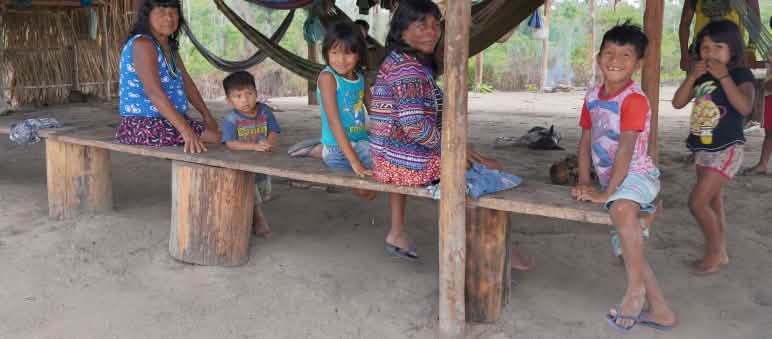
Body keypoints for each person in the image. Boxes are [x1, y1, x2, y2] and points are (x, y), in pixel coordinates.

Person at [368, 0, 529, 269]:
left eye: (435, 25)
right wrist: (456, 153)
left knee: (471, 157)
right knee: (483, 174)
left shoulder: (400, 61)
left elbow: (417, 125)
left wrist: (461, 148)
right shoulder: (408, 70)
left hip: (388, 156)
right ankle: (494, 247)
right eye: (422, 26)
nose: (432, 32)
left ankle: (398, 233)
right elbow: (416, 128)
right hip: (401, 160)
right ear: (402, 30)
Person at [573, 23, 675, 332]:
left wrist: (608, 194)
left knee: (619, 209)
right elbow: (585, 141)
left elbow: (626, 150)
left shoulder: (634, 99)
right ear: (598, 57)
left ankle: (634, 294)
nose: (615, 60)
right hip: (614, 181)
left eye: (625, 55)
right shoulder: (592, 96)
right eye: (609, 53)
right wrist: (584, 181)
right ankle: (661, 312)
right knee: (629, 248)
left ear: (638, 63)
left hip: (638, 176)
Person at [673, 20, 755, 274]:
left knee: (697, 203)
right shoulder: (700, 76)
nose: (710, 53)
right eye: (705, 47)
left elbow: (744, 107)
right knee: (713, 201)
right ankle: (722, 252)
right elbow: (677, 102)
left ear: (732, 51)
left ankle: (714, 252)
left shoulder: (741, 75)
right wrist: (692, 77)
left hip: (727, 148)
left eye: (718, 47)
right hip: (703, 147)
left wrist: (724, 77)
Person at [115, 0, 220, 153]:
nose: (169, 18)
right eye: (161, 13)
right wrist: (186, 131)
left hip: (168, 120)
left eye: (173, 13)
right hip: (143, 125)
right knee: (220, 139)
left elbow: (186, 82)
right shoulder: (143, 44)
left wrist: (207, 115)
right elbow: (153, 92)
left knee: (222, 136)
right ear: (147, 16)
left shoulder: (169, 46)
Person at [317, 22, 376, 200]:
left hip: (361, 142)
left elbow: (375, 112)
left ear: (359, 54)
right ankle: (321, 147)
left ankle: (317, 147)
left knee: (390, 170)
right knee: (368, 192)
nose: (340, 60)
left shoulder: (361, 78)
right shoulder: (328, 78)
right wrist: (355, 162)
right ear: (327, 52)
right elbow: (334, 122)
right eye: (334, 53)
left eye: (348, 53)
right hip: (338, 149)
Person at [221, 71, 281, 236]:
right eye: (238, 96)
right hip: (242, 162)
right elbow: (231, 143)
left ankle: (252, 213)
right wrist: (253, 147)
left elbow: (274, 130)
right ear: (229, 100)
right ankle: (258, 218)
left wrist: (269, 142)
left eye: (249, 94)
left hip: (262, 160)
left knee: (262, 188)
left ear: (256, 93)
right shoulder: (231, 119)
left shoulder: (265, 112)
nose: (245, 100)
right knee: (249, 188)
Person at [678, 0, 761, 72]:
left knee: (736, 86)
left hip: (733, 51)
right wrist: (685, 55)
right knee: (701, 88)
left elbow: (755, 21)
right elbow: (685, 23)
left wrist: (751, 49)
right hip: (702, 50)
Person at [740, 16, 772, 176]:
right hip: (770, 94)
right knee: (770, 132)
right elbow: (767, 63)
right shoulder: (770, 48)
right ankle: (763, 164)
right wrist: (753, 62)